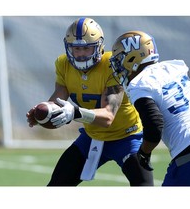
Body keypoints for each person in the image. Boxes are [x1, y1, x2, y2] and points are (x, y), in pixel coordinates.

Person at [26, 18, 154, 186]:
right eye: (76, 48)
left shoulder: (113, 64)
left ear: (99, 46)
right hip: (91, 138)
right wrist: (44, 112)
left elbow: (108, 116)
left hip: (127, 138)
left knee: (145, 188)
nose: (80, 54)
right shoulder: (63, 64)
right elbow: (58, 98)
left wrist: (74, 113)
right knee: (57, 186)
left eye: (86, 48)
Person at [109, 30, 190, 186]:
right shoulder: (174, 67)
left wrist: (144, 153)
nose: (118, 66)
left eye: (120, 59)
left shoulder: (139, 83)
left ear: (133, 57)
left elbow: (154, 125)